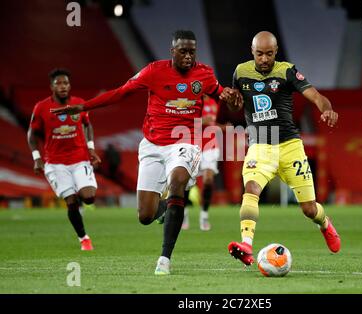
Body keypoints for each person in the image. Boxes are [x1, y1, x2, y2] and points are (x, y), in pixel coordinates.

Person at [51, 30, 241, 275]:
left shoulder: (204, 74)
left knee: (178, 182)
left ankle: (164, 259)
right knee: (145, 216)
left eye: (192, 51)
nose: (188, 56)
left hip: (185, 142)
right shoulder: (153, 71)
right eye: (182, 51)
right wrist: (84, 106)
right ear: (172, 51)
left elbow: (226, 100)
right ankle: (165, 208)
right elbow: (120, 92)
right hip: (152, 146)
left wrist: (234, 101)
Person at [225, 31, 341, 266]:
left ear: (276, 52)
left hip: (290, 146)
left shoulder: (287, 71)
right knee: (251, 188)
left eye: (269, 54)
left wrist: (326, 109)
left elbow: (316, 96)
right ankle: (246, 244)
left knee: (309, 209)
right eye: (260, 54)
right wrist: (232, 101)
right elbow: (237, 106)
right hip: (260, 145)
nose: (264, 59)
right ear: (252, 51)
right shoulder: (240, 72)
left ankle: (325, 224)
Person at [27, 68, 101, 251]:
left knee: (89, 197)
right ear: (51, 87)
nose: (62, 86)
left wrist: (91, 149)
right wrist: (36, 158)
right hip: (55, 163)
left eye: (65, 83)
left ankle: (79, 198)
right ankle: (84, 238)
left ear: (70, 85)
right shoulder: (41, 107)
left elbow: (87, 125)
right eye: (58, 83)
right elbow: (32, 134)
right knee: (70, 201)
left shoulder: (79, 103)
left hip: (80, 159)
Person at [181, 95, 221, 231]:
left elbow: (213, 123)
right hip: (192, 145)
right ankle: (184, 213)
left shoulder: (214, 101)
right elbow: (183, 123)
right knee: (186, 184)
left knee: (208, 180)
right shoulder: (190, 102)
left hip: (211, 146)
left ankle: (204, 215)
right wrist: (202, 121)